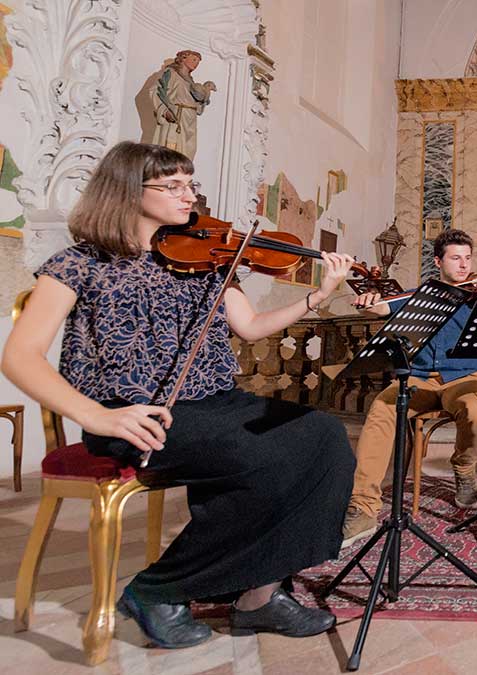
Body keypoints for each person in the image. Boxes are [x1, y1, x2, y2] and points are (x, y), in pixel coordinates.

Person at [1, 142, 357, 649]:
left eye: (190, 183)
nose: (189, 195)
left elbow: (252, 327)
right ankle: (157, 589)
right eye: (173, 186)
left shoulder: (204, 259)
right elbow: (20, 355)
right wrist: (100, 418)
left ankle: (257, 596)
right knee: (260, 458)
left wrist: (317, 296)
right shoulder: (77, 264)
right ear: (126, 189)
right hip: (133, 416)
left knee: (322, 436)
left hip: (214, 402)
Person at [342, 228, 477, 546]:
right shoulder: (415, 296)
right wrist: (369, 303)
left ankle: (464, 466)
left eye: (467, 258)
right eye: (455, 258)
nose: (464, 265)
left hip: (465, 377)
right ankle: (363, 506)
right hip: (418, 379)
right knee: (382, 409)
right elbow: (381, 308)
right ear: (438, 261)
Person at [149, 50, 216, 160]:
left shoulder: (191, 81)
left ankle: (182, 173)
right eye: (194, 59)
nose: (196, 64)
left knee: (188, 151)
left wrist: (205, 95)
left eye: (198, 62)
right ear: (183, 58)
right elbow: (155, 90)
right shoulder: (170, 73)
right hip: (176, 117)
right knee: (172, 151)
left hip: (190, 119)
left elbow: (196, 105)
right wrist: (164, 111)